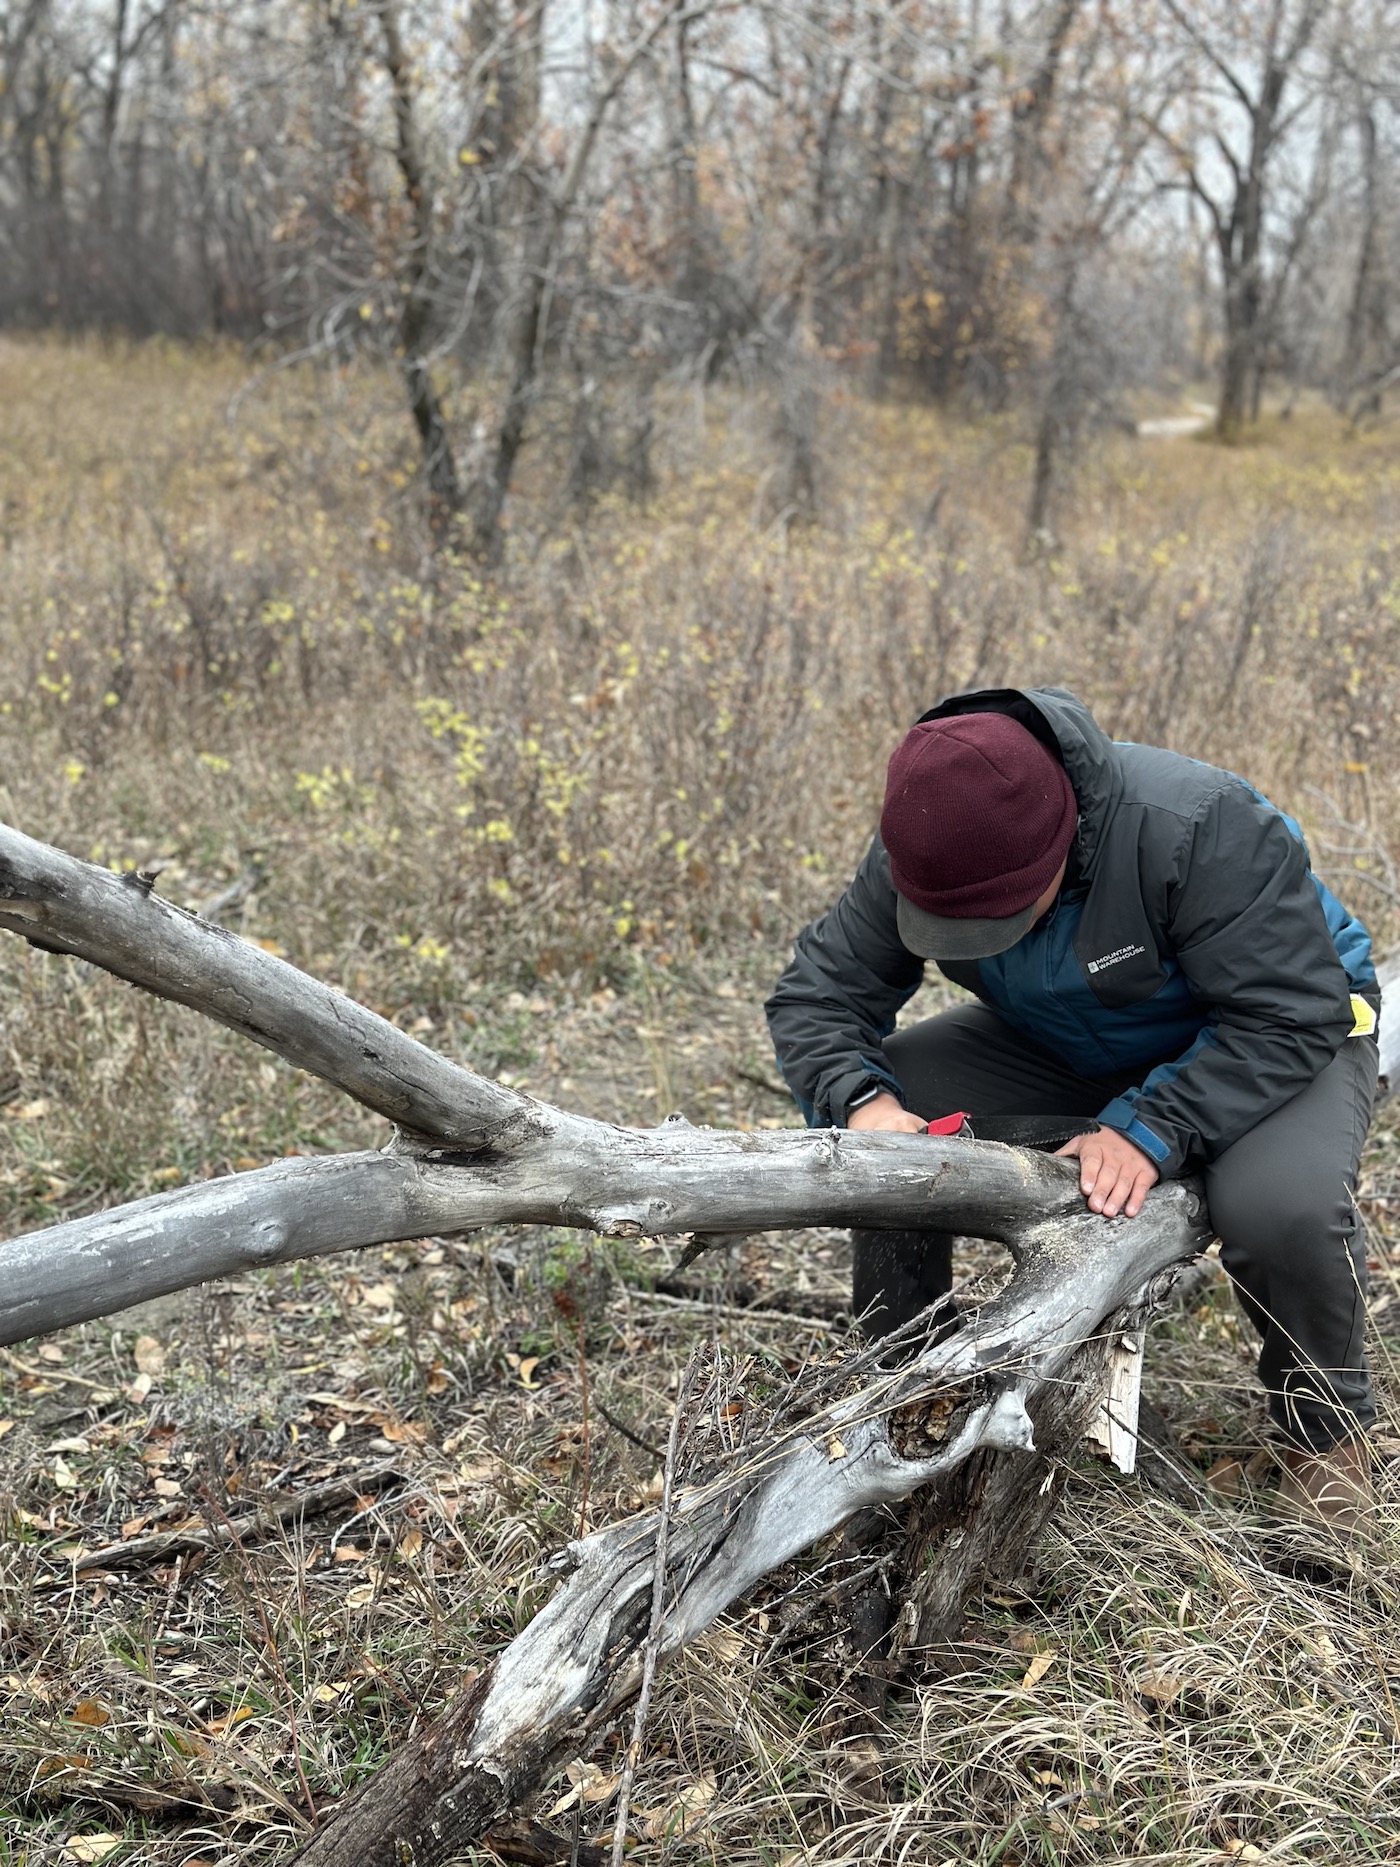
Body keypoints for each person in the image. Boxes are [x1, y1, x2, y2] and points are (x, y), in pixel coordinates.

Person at [766, 686, 1382, 1529]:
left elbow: (1291, 1010)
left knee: (1281, 1206)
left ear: (1059, 842)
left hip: (1276, 1030)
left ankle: (1327, 1440)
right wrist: (864, 1103)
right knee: (894, 1125)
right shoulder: (931, 835)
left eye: (998, 917)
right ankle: (902, 1385)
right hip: (1069, 1041)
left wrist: (1149, 1127)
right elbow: (817, 995)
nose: (978, 938)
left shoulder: (1193, 824)